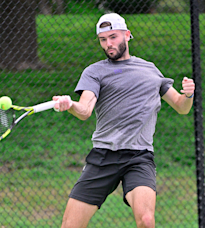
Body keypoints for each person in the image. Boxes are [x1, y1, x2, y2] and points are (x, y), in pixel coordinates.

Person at [53, 13, 195, 228]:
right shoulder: (95, 72)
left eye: (113, 37)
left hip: (139, 158)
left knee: (146, 221)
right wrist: (71, 104)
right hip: (103, 157)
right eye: (103, 39)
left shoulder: (150, 70)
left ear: (127, 35)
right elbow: (85, 110)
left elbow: (180, 107)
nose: (108, 44)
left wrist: (188, 95)